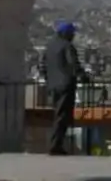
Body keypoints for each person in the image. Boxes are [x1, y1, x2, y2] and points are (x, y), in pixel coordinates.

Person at [39, 21, 89, 156]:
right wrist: (83, 76)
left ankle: (56, 144)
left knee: (57, 114)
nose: (73, 36)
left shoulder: (49, 47)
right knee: (62, 115)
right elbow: (74, 64)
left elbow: (42, 66)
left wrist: (49, 81)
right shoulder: (67, 46)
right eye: (72, 33)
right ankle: (55, 145)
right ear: (66, 34)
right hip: (65, 85)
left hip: (52, 86)